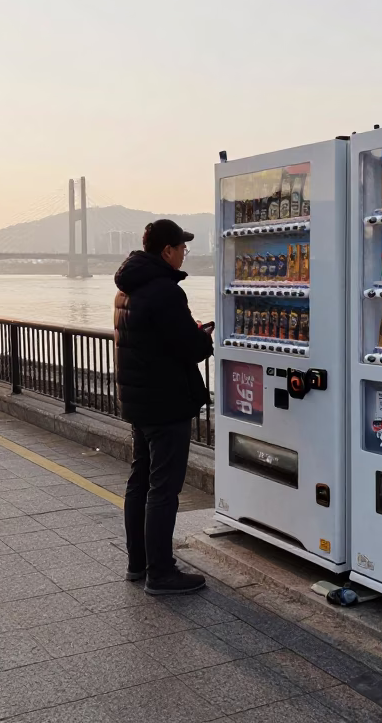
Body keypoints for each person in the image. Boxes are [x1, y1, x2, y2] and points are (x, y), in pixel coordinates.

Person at [114, 219, 214, 596]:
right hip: (166, 403)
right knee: (163, 489)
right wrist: (202, 337)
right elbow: (189, 347)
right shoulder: (165, 291)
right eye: (182, 247)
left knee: (140, 481)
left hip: (139, 401)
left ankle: (137, 563)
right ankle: (162, 572)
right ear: (167, 251)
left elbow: (151, 340)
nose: (184, 253)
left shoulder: (126, 289)